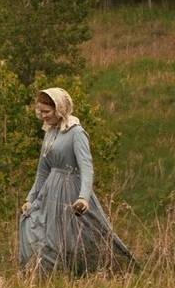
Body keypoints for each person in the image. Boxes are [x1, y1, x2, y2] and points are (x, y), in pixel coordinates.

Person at [18, 87, 135, 275]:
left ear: (60, 108)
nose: (43, 116)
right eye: (40, 112)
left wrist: (83, 197)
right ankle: (46, 276)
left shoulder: (76, 132)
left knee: (77, 237)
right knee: (36, 227)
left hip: (70, 190)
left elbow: (87, 167)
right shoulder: (49, 132)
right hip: (50, 193)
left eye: (47, 112)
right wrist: (30, 198)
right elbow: (42, 170)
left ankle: (105, 271)